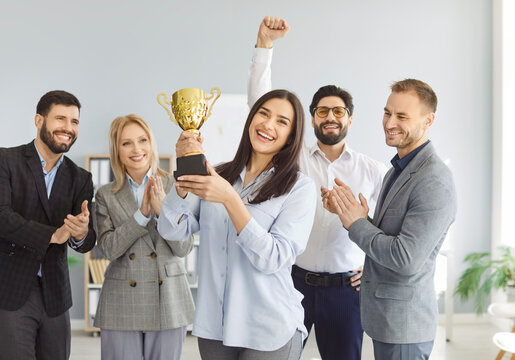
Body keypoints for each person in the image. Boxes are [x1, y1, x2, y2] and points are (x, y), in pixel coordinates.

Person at [248, 16, 387, 360]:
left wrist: (373, 265)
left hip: (345, 292)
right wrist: (264, 46)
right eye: (322, 110)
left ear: (350, 119)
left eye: (339, 111)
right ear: (311, 118)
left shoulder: (372, 171)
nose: (331, 116)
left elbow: (392, 227)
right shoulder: (292, 161)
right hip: (293, 282)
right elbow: (261, 105)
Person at [157, 89, 316, 360]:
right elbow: (172, 230)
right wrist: (183, 171)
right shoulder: (218, 173)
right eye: (263, 114)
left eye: (281, 121)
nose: (268, 124)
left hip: (268, 328)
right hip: (215, 327)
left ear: (292, 135)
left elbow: (274, 258)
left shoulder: (300, 188)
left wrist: (231, 200)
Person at [324, 79, 457, 360]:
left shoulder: (434, 180)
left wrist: (356, 223)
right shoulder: (396, 169)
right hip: (387, 321)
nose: (389, 122)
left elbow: (405, 258)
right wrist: (351, 213)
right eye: (387, 113)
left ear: (428, 120)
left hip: (405, 329)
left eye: (402, 116)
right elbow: (391, 235)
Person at [0, 90, 96, 360]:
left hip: (56, 297)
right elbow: (2, 216)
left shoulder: (81, 179)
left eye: (74, 121)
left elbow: (88, 240)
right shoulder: (6, 160)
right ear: (38, 120)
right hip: (12, 290)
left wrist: (81, 232)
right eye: (60, 119)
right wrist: (53, 234)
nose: (68, 128)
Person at [93, 114, 195, 360]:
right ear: (116, 150)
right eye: (126, 143)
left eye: (142, 140)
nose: (136, 149)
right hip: (121, 299)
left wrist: (161, 211)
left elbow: (183, 248)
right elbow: (107, 249)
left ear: (152, 144)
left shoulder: (176, 185)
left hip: (168, 298)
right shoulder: (105, 194)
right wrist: (141, 215)